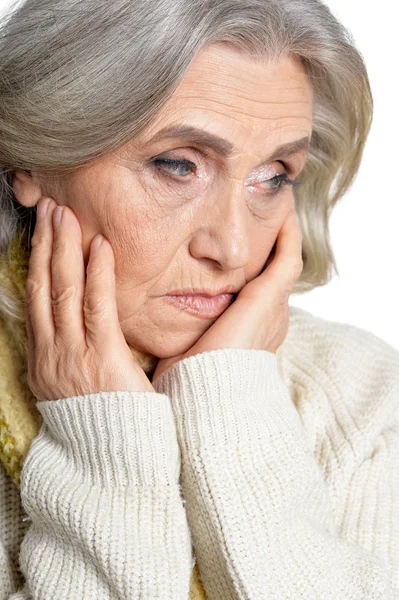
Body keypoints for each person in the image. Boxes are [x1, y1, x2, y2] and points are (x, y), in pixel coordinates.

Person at [0, 0, 397, 598]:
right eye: (178, 165)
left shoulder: (366, 396)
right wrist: (104, 444)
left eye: (273, 176)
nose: (233, 248)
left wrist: (231, 403)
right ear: (33, 158)